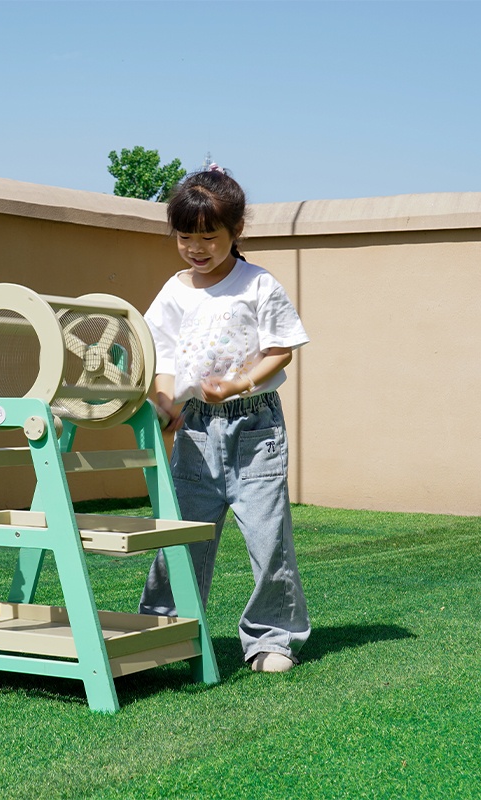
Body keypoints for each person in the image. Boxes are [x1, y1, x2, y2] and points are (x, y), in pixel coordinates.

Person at [138, 165, 310, 673]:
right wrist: (166, 404)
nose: (195, 248)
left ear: (237, 231)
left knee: (268, 537)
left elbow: (281, 351)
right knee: (181, 534)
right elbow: (164, 358)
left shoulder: (258, 284)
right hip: (195, 431)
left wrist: (238, 384)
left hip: (254, 428)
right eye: (185, 237)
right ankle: (163, 631)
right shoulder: (174, 291)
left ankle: (272, 639)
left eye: (208, 237)